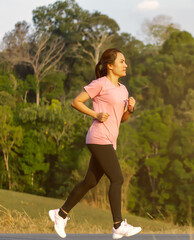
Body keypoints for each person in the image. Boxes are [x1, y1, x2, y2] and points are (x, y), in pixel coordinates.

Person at [49, 48, 141, 239]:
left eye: (125, 62)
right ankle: (118, 225)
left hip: (109, 140)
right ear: (110, 65)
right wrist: (96, 114)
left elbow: (121, 120)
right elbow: (76, 102)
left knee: (90, 181)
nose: (125, 65)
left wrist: (129, 109)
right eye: (121, 61)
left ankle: (60, 214)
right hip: (98, 137)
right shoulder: (100, 84)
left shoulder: (123, 89)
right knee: (117, 179)